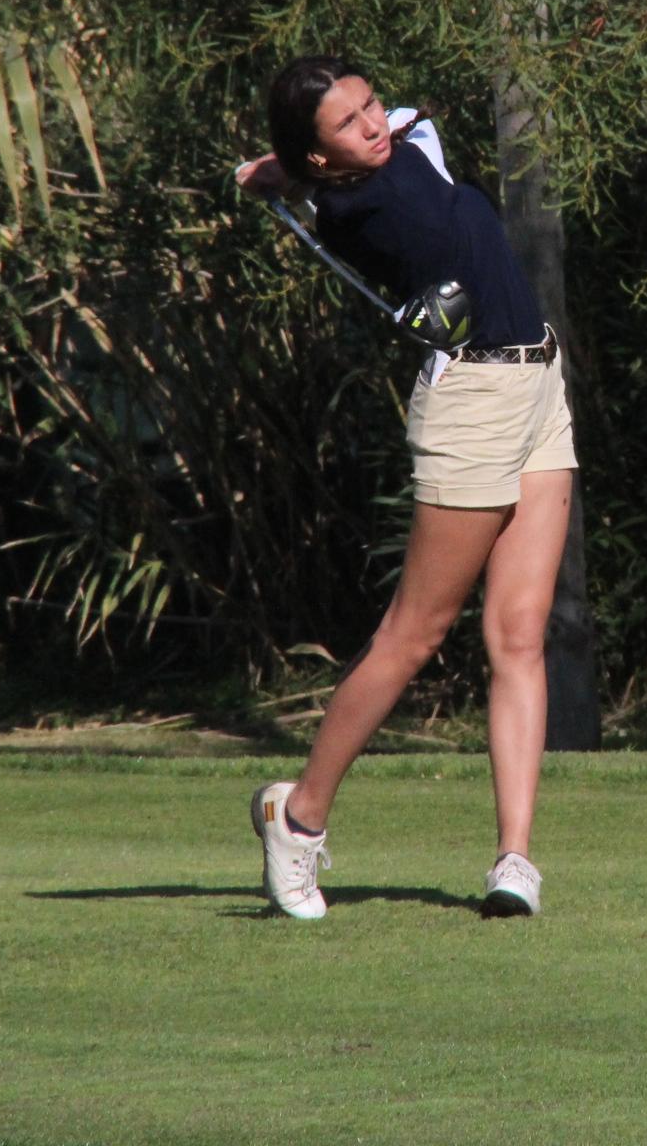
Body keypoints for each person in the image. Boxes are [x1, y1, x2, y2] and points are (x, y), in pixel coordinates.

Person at [233, 55, 576, 920]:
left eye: (370, 104)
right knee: (413, 635)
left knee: (521, 633)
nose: (375, 124)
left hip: (540, 383)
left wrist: (275, 166)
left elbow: (412, 118)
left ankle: (514, 862)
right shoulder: (356, 206)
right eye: (350, 124)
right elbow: (335, 184)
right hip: (474, 403)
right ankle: (299, 818)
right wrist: (290, 177)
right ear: (323, 161)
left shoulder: (398, 146)